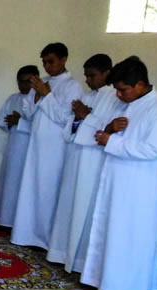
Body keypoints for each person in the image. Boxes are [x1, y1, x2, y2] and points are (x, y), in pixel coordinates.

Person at [82, 56, 157, 290]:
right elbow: (107, 134)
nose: (118, 95)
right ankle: (107, 283)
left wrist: (112, 141)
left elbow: (153, 149)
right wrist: (109, 131)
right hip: (118, 181)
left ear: (140, 84)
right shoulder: (128, 104)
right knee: (113, 234)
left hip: (140, 188)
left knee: (130, 237)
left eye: (123, 90)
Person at [46, 54, 120, 272]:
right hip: (76, 157)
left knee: (83, 209)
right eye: (86, 76)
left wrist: (86, 116)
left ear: (106, 73)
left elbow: (107, 129)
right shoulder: (88, 96)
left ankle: (79, 261)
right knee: (69, 205)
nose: (87, 80)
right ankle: (62, 253)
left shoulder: (114, 98)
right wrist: (78, 118)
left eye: (92, 76)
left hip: (93, 161)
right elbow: (70, 127)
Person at [11, 42, 83, 249]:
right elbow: (29, 114)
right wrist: (36, 95)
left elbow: (64, 118)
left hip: (56, 149)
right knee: (32, 190)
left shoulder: (73, 86)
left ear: (63, 59)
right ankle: (28, 235)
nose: (47, 66)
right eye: (44, 62)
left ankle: (47, 240)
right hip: (36, 146)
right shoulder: (43, 82)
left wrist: (46, 95)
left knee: (48, 192)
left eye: (50, 61)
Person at [0, 65, 38, 227]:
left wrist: (20, 122)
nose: (24, 85)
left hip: (30, 148)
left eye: (28, 82)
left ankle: (23, 224)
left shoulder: (40, 99)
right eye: (20, 82)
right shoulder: (12, 99)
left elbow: (41, 127)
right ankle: (6, 220)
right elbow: (0, 120)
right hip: (14, 145)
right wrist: (9, 122)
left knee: (26, 185)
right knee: (10, 183)